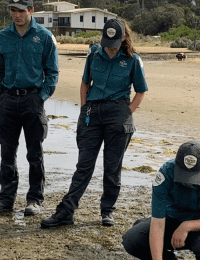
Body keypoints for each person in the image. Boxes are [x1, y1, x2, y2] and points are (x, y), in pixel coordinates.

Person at [41, 19, 148, 229]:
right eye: (107, 40)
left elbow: (141, 91)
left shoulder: (133, 60)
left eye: (114, 41)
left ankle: (107, 211)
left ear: (124, 37)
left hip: (118, 114)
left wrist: (126, 114)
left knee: (112, 168)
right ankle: (66, 211)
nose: (110, 45)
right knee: (84, 166)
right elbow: (84, 82)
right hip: (92, 112)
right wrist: (83, 108)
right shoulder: (93, 54)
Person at [0, 0, 59, 217]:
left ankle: (34, 200)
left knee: (34, 153)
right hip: (7, 100)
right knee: (7, 152)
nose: (16, 15)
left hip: (32, 100)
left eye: (21, 11)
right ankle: (5, 200)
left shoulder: (45, 37)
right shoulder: (1, 37)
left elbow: (52, 73)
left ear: (31, 11)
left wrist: (41, 97)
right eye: (13, 11)